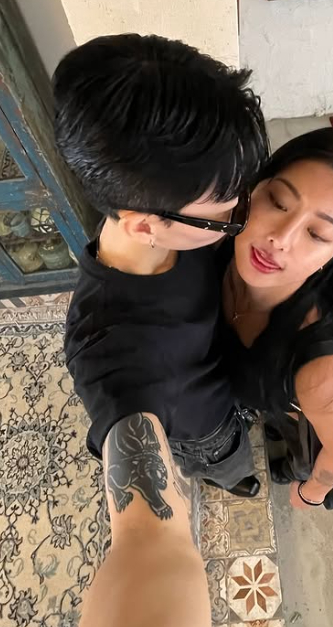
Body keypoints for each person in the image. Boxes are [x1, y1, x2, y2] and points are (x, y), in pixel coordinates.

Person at [53, 33, 269, 626]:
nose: (243, 215)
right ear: (145, 224)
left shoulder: (178, 199)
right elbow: (149, 543)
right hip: (206, 430)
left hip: (232, 368)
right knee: (231, 463)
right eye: (227, 216)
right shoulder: (110, 355)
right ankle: (237, 481)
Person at [221, 128, 333, 508]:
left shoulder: (326, 373)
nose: (280, 239)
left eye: (317, 233)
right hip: (257, 401)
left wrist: (311, 493)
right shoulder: (216, 244)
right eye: (278, 202)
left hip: (294, 418)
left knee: (297, 457)